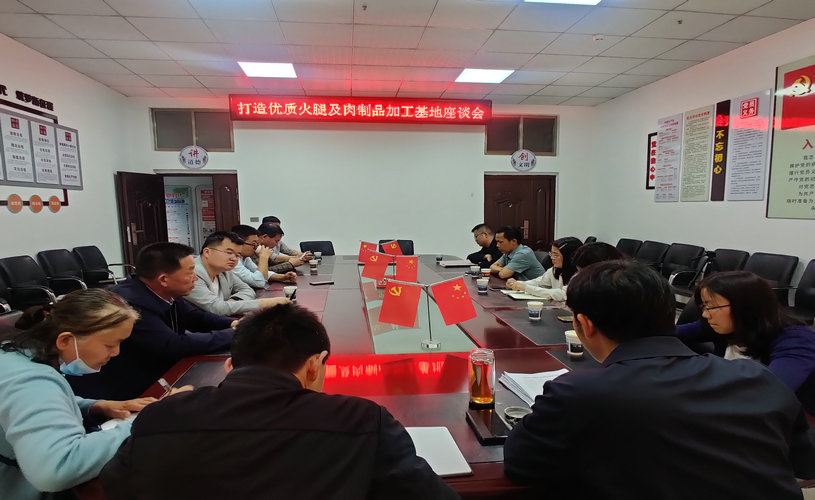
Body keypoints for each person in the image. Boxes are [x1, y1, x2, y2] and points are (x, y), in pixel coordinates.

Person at [503, 260, 815, 499]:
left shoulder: (578, 392)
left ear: (584, 324)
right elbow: (804, 463)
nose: (707, 314)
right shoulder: (761, 379)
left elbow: (521, 463)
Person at [100, 304, 458, 500]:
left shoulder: (160, 417)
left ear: (229, 365)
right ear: (315, 364)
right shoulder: (360, 419)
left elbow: (115, 485)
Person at [0, 289, 157, 500]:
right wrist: (143, 423)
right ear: (65, 340)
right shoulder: (29, 379)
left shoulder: (15, 355)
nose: (116, 352)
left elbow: (29, 404)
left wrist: (95, 406)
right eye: (110, 344)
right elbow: (57, 469)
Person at [67, 242, 237, 400]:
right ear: (163, 279)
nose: (196, 278)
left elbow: (195, 317)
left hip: (153, 375)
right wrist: (235, 334)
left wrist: (232, 324)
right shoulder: (130, 303)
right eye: (190, 272)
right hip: (121, 391)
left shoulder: (164, 292)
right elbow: (173, 345)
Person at [676, 270, 815, 414]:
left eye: (712, 306)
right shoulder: (723, 326)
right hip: (730, 406)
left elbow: (770, 392)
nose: (706, 314)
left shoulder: (797, 340)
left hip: (787, 417)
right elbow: (670, 332)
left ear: (745, 306)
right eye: (704, 306)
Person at [185, 231, 290, 316]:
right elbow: (216, 308)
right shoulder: (192, 274)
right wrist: (265, 303)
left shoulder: (224, 271)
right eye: (229, 252)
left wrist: (233, 301)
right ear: (207, 252)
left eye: (237, 255)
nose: (234, 258)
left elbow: (247, 289)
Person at [506, 236, 582, 300]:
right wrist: (517, 283)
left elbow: (561, 295)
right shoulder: (555, 269)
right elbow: (539, 282)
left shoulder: (580, 275)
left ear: (569, 256)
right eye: (551, 254)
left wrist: (526, 288)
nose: (552, 258)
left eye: (556, 255)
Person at [230, 224, 296, 288]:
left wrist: (283, 277)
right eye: (254, 244)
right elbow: (259, 282)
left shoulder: (245, 258)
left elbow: (260, 272)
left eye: (257, 244)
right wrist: (263, 257)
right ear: (239, 243)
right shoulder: (233, 261)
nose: (256, 247)